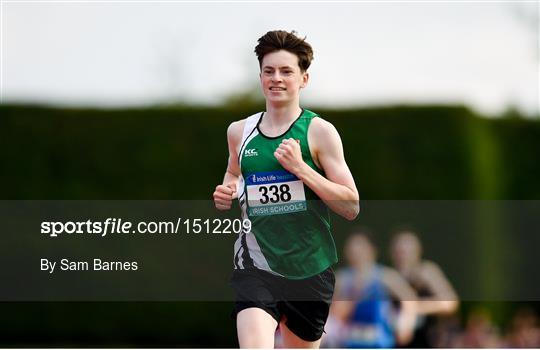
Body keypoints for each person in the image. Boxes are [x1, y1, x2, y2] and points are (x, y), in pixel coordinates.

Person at [212, 30, 359, 348]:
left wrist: (301, 169)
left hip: (309, 269)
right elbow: (233, 172)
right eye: (269, 71)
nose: (276, 78)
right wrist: (228, 188)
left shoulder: (320, 133)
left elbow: (350, 205)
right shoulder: (240, 132)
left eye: (286, 71)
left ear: (304, 79)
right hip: (255, 265)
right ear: (261, 76)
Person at [323, 230, 417, 348]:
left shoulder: (386, 276)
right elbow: (329, 312)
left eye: (360, 246)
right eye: (351, 246)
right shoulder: (340, 279)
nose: (355, 251)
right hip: (348, 341)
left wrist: (406, 322)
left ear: (372, 250)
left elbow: (409, 300)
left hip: (380, 340)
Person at [389, 230, 459, 347]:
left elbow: (450, 303)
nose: (402, 256)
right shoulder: (390, 277)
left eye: (407, 251)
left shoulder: (426, 272)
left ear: (418, 252)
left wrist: (414, 308)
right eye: (399, 251)